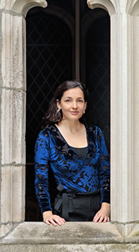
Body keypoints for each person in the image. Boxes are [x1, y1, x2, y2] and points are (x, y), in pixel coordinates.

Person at [34, 80, 110, 226]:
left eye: (79, 101)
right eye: (68, 100)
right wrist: (47, 213)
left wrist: (106, 206)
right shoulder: (47, 136)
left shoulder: (95, 133)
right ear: (58, 104)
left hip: (98, 211)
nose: (74, 106)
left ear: (85, 105)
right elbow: (40, 178)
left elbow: (105, 173)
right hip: (67, 209)